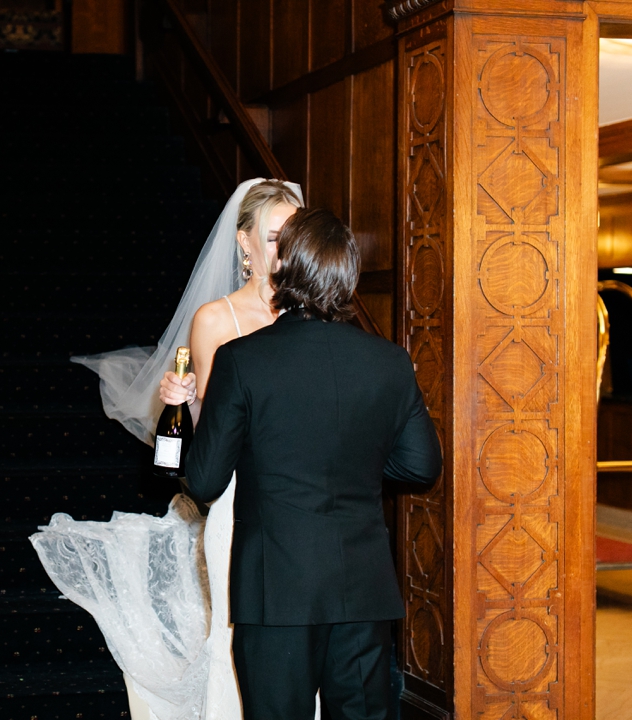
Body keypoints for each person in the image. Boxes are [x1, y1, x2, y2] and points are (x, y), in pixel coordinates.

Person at [30, 179, 307, 720]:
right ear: (244, 243)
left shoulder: (311, 314)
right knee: (241, 625)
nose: (287, 250)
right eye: (275, 237)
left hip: (303, 499)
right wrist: (180, 404)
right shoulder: (216, 321)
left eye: (296, 236)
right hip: (240, 495)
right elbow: (209, 430)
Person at [185, 208, 442, 720]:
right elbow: (421, 465)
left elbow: (206, 480)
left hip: (276, 591)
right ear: (348, 278)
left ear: (284, 267)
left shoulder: (242, 359)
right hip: (364, 593)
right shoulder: (389, 360)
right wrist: (360, 463)